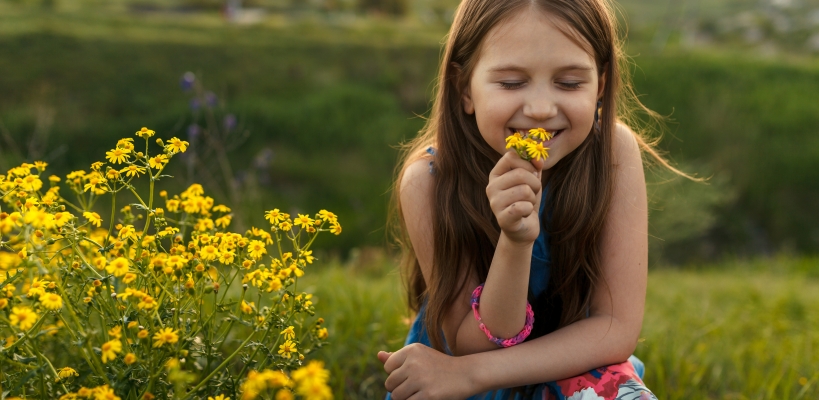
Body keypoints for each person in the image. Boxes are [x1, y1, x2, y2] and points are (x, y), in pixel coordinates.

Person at [377, 0, 688, 399]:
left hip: (566, 365)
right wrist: (515, 240)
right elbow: (473, 343)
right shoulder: (430, 183)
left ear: (601, 86)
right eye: (510, 83)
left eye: (570, 83)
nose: (540, 110)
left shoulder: (612, 155)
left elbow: (615, 329)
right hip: (457, 377)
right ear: (464, 87)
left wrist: (472, 373)